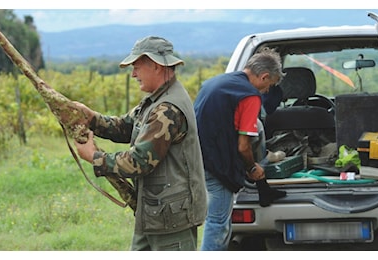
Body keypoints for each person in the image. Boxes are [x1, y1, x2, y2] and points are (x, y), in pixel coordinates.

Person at [73, 36, 207, 251]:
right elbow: (126, 126)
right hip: (157, 214)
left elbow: (139, 161)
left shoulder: (167, 109)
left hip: (170, 220)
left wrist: (94, 157)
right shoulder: (158, 99)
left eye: (136, 67)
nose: (133, 74)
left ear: (155, 65)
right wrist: (91, 119)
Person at [193, 48, 286, 251]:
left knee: (217, 219)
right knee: (217, 223)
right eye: (269, 86)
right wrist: (253, 168)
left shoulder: (215, 82)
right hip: (217, 166)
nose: (266, 91)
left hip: (197, 158)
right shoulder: (250, 96)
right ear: (264, 76)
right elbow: (243, 147)